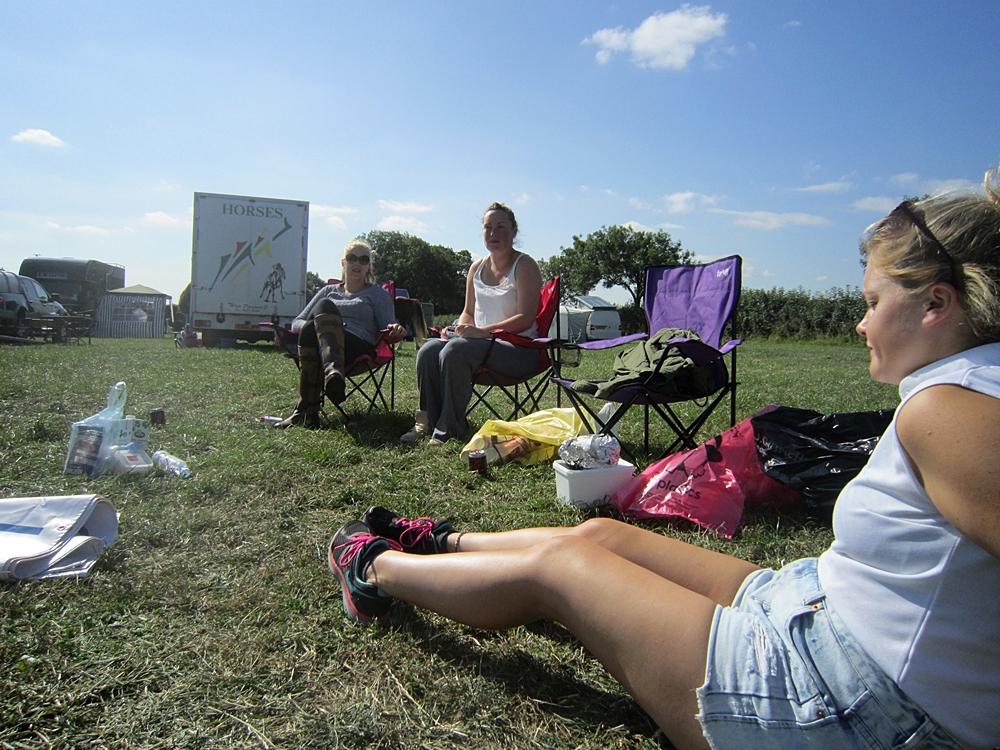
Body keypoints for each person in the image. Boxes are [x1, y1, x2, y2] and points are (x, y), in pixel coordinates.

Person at [328, 171, 1000, 750]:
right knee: (599, 534)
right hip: (814, 602)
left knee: (561, 569)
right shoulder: (966, 389)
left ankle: (372, 568)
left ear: (936, 304)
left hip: (850, 697)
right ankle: (443, 544)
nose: (861, 322)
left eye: (874, 303)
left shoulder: (956, 407)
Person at [399, 202, 543, 445]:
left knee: (456, 350)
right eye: (488, 227)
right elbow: (468, 312)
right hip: (480, 347)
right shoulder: (476, 267)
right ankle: (428, 422)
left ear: (514, 231)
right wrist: (459, 329)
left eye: (501, 227)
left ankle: (449, 428)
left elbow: (525, 318)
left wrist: (481, 332)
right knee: (428, 350)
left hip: (519, 350)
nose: (493, 233)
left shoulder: (525, 265)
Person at [275, 239, 404, 428]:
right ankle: (331, 377)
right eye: (352, 258)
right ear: (343, 263)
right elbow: (297, 322)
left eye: (363, 260)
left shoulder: (377, 295)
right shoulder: (328, 291)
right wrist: (324, 327)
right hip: (322, 348)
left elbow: (389, 326)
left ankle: (305, 410)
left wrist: (396, 329)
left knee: (324, 308)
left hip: (357, 347)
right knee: (319, 313)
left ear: (368, 266)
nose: (357, 264)